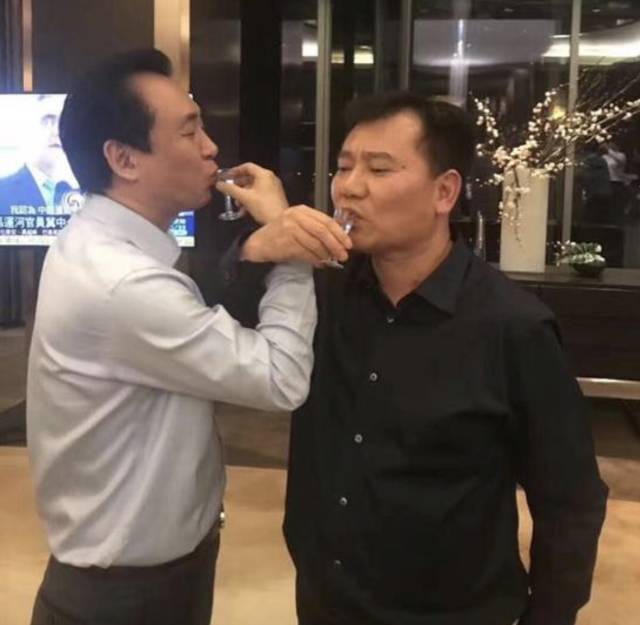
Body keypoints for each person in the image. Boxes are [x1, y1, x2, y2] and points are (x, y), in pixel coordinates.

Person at [221, 92, 609, 625]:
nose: (349, 187)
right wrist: (256, 248)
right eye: (344, 167)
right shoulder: (323, 294)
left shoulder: (513, 325)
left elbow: (570, 499)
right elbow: (222, 329)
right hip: (326, 599)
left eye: (379, 169)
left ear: (444, 191)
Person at [26, 48, 351, 625]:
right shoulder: (124, 283)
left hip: (137, 571)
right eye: (190, 131)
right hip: (125, 596)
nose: (210, 148)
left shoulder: (100, 243)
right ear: (124, 158)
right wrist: (290, 250)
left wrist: (259, 247)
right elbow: (280, 379)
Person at [0, 95, 78, 214]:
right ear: (27, 129)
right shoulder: (3, 191)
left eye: (63, 122)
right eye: (48, 121)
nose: (57, 131)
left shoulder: (81, 193)